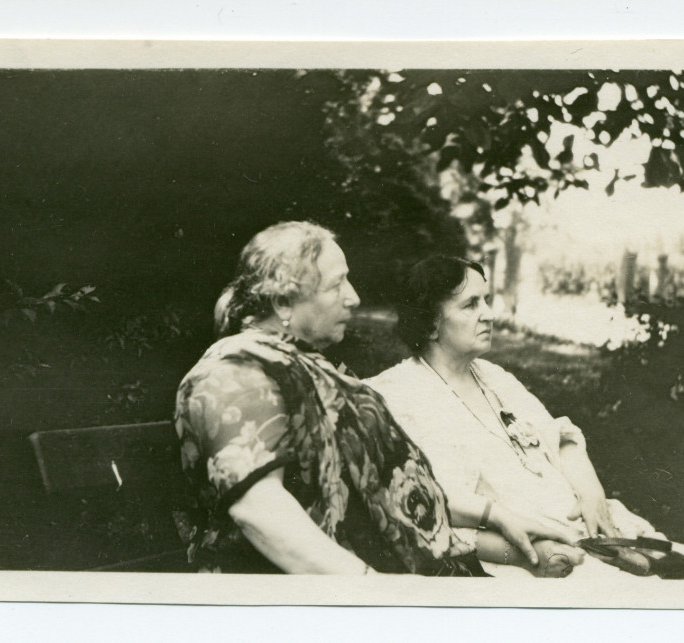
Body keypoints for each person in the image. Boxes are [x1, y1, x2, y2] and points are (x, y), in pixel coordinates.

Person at [174, 222, 573, 576]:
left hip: (424, 577)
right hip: (320, 601)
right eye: (335, 285)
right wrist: (369, 592)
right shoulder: (235, 372)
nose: (353, 297)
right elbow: (259, 511)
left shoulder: (311, 369)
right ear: (282, 303)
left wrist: (498, 516)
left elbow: (394, 491)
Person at [365, 255, 684, 580]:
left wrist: (591, 493)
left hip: (583, 520)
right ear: (429, 324)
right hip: (525, 541)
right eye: (471, 304)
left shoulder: (494, 377)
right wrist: (528, 552)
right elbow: (431, 505)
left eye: (486, 300)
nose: (488, 313)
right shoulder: (398, 394)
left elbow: (560, 437)